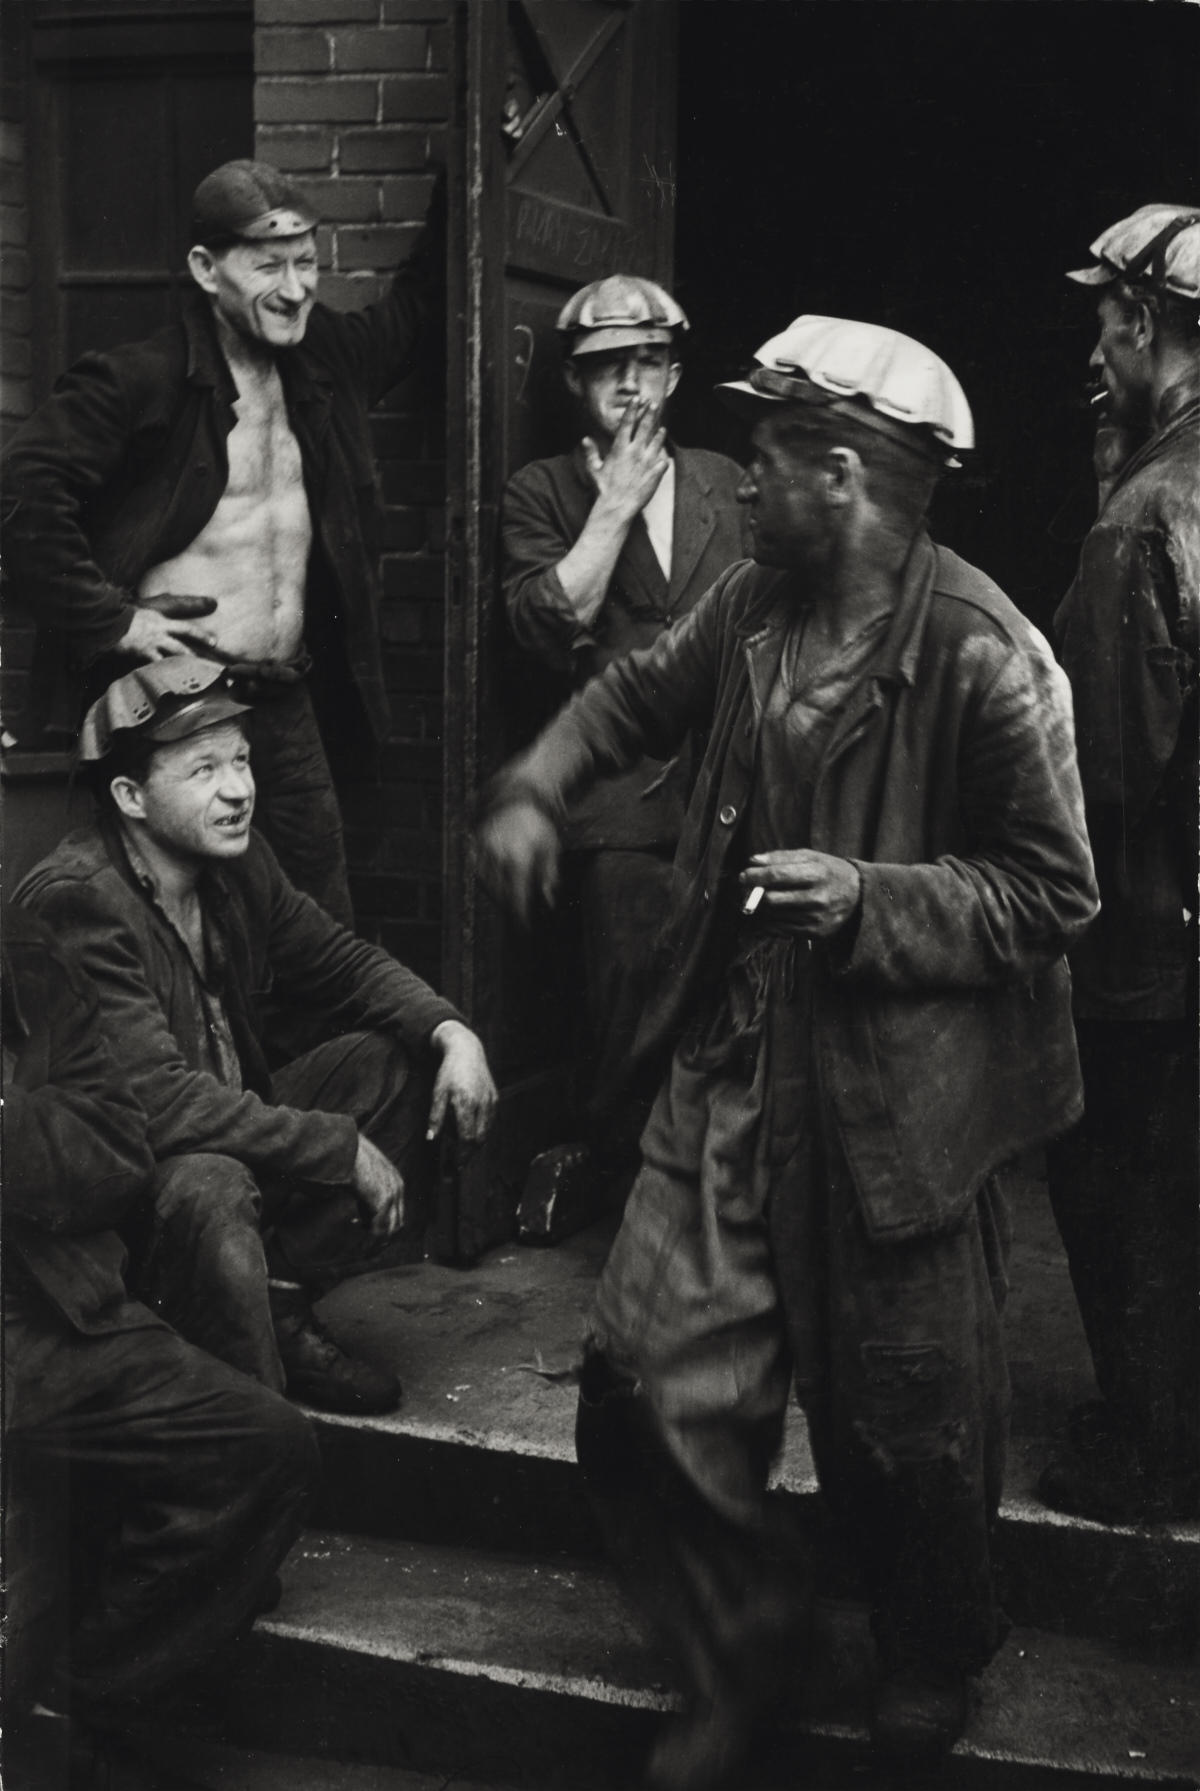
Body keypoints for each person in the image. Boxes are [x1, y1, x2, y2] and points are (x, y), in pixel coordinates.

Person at [479, 316, 1098, 1786]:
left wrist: (870, 897)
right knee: (642, 1382)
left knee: (908, 1416)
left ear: (843, 473)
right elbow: (636, 691)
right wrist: (538, 778)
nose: (741, 478)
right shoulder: (757, 601)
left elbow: (1053, 890)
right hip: (742, 1049)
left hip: (903, 1092)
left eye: (766, 453)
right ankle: (742, 1640)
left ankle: (930, 1649)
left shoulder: (984, 651)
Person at [17, 656, 497, 1418]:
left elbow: (340, 960)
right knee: (210, 1183)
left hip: (223, 1147)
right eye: (204, 769)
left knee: (397, 1062)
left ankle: (275, 1303)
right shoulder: (79, 901)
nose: (239, 789)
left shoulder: (236, 864)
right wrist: (338, 1147)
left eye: (240, 760)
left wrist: (452, 1030)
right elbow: (158, 1105)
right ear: (130, 796)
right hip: (127, 1207)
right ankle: (242, 1410)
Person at [1, 157, 445, 927]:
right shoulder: (143, 379)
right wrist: (112, 618)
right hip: (179, 706)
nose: (297, 288)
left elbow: (414, 313)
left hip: (285, 698)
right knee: (178, 920)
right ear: (207, 270)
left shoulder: (328, 360)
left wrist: (471, 173)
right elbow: (22, 487)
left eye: (306, 262)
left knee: (317, 918)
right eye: (269, 266)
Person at [3, 898, 319, 1746]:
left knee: (267, 1442)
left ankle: (80, 1701)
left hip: (59, 1321)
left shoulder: (25, 953)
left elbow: (116, 1149)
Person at [503, 276, 745, 1171]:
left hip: (731, 782)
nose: (632, 383)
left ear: (675, 376)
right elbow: (549, 623)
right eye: (609, 366)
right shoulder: (543, 490)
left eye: (649, 362)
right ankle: (623, 1175)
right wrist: (614, 508)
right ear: (575, 381)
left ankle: (709, 1173)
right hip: (618, 799)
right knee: (628, 998)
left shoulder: (729, 482)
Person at [1043, 204, 1200, 1525]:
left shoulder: (1142, 521)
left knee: (1122, 1188)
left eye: (1106, 326)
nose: (1094, 354)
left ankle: (1151, 1454)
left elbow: (1100, 780)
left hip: (1146, 950)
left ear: (1146, 323)